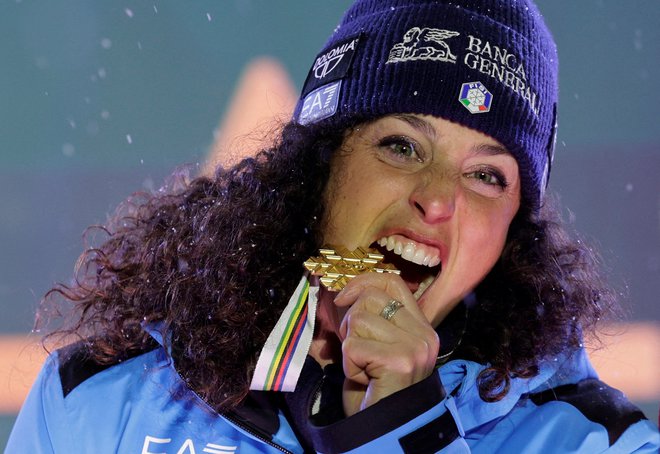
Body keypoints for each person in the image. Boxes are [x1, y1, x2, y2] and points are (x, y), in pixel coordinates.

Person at [7, 0, 660, 452]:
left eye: (487, 176)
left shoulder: (599, 445)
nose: (438, 200)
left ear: (514, 235)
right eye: (402, 145)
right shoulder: (94, 402)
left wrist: (406, 427)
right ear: (320, 164)